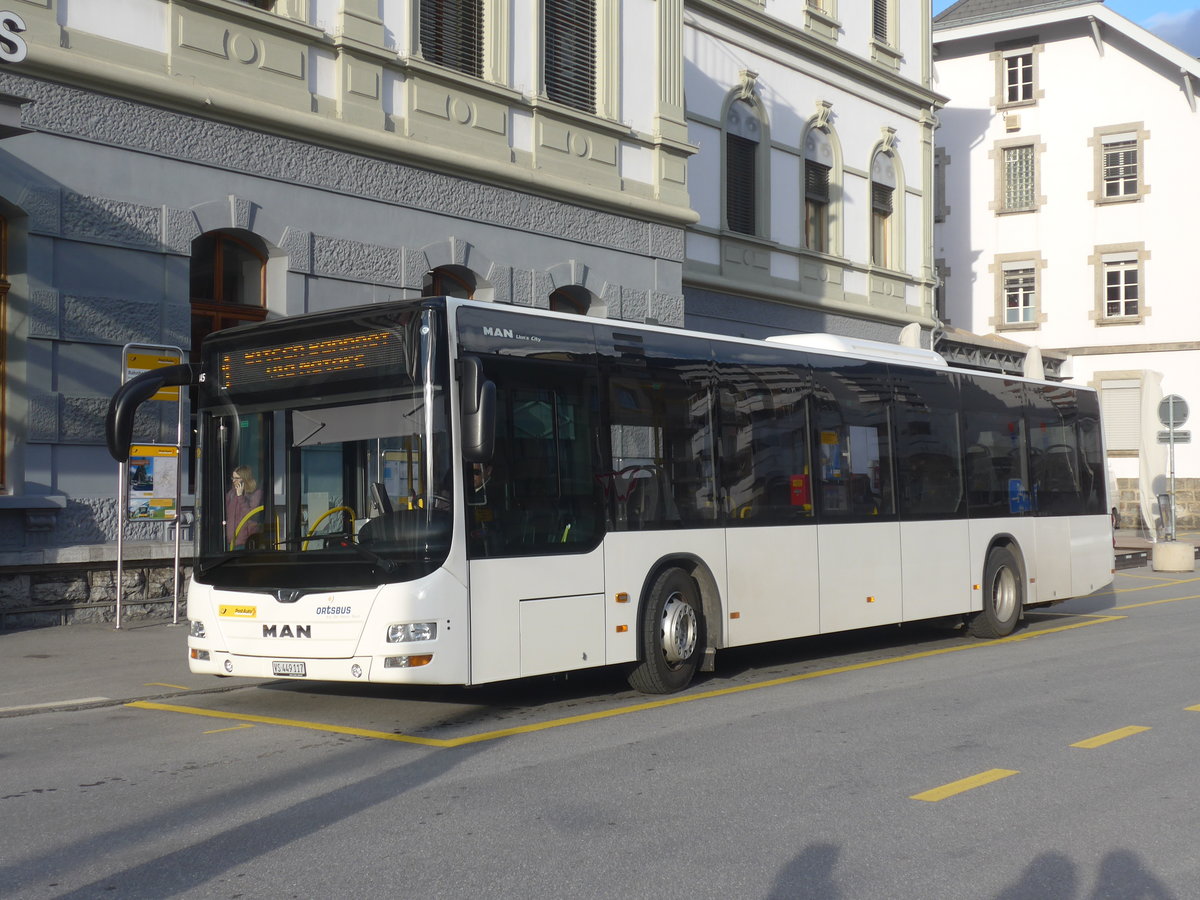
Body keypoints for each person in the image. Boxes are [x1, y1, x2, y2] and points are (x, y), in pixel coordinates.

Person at [225, 465, 263, 549]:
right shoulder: (231, 494)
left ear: (244, 479)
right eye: (233, 478)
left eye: (237, 478)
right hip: (230, 541)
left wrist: (240, 497)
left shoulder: (255, 494)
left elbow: (250, 515)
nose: (234, 481)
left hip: (245, 542)